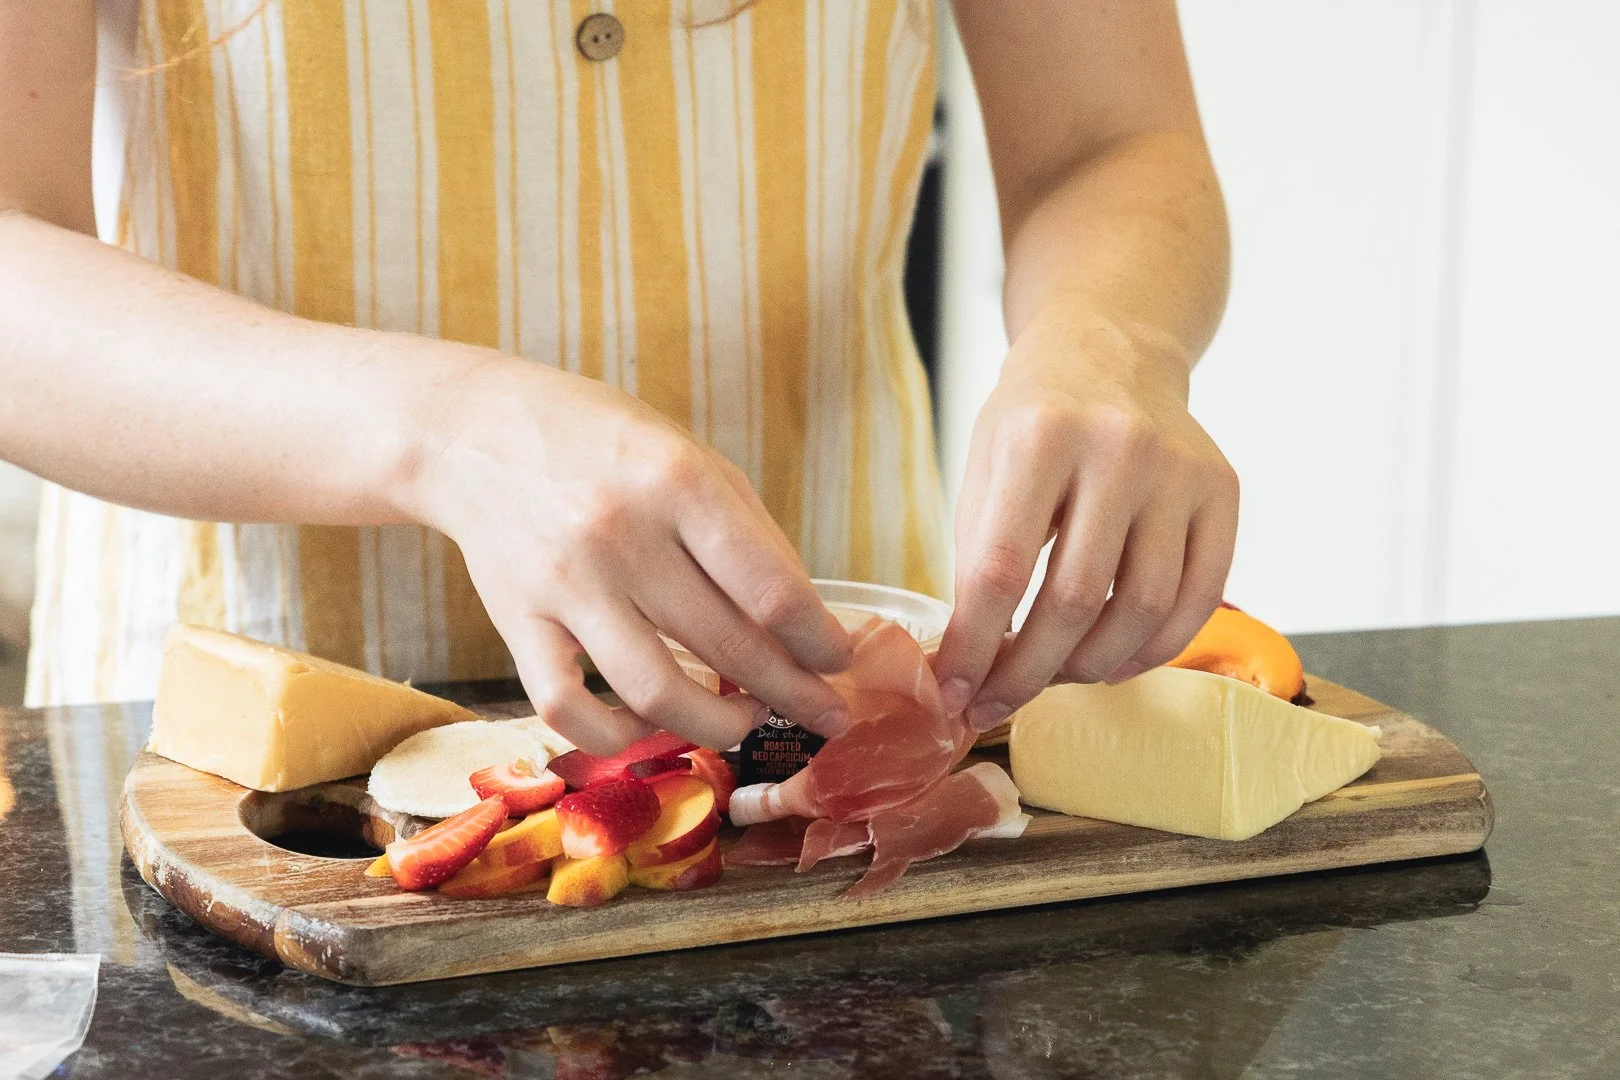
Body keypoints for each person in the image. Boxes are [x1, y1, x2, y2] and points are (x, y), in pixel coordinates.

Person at [0, 0, 1236, 755]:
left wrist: (1111, 341)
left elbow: (1108, 138)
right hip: (258, 773)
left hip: (839, 727)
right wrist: (450, 434)